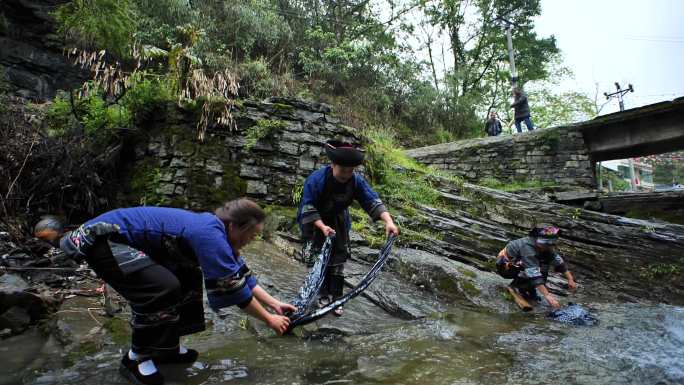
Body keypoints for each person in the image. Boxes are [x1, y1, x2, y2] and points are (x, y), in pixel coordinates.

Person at [34, 199, 295, 385]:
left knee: (187, 277)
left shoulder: (216, 232)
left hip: (117, 239)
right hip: (104, 240)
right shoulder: (210, 234)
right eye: (252, 235)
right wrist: (270, 320)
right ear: (235, 227)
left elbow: (241, 275)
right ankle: (136, 358)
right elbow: (235, 291)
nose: (252, 241)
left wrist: (275, 304)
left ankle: (165, 349)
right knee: (160, 288)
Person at [296, 140, 399, 316]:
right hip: (314, 223)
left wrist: (388, 221)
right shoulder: (317, 179)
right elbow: (308, 206)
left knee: (337, 260)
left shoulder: (356, 182)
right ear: (333, 164)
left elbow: (371, 200)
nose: (346, 174)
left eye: (350, 171)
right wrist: (322, 226)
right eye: (342, 170)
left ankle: (336, 298)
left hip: (338, 222)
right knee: (319, 260)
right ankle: (322, 295)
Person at [495, 225, 576, 309]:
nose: (548, 247)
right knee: (531, 268)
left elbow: (558, 262)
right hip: (506, 266)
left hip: (520, 264)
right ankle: (515, 287)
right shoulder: (527, 248)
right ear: (537, 240)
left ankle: (529, 288)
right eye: (545, 244)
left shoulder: (547, 248)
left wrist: (570, 279)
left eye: (550, 245)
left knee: (544, 263)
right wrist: (547, 296)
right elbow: (533, 273)